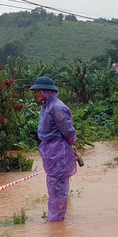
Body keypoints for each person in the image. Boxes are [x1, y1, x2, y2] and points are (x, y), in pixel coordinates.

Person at [30, 76, 78, 222]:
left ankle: (56, 221)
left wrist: (70, 144)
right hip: (51, 152)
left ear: (46, 92)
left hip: (59, 152)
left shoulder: (57, 108)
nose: (35, 94)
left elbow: (68, 131)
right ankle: (55, 218)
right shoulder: (46, 106)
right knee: (53, 185)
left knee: (58, 187)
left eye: (38, 91)